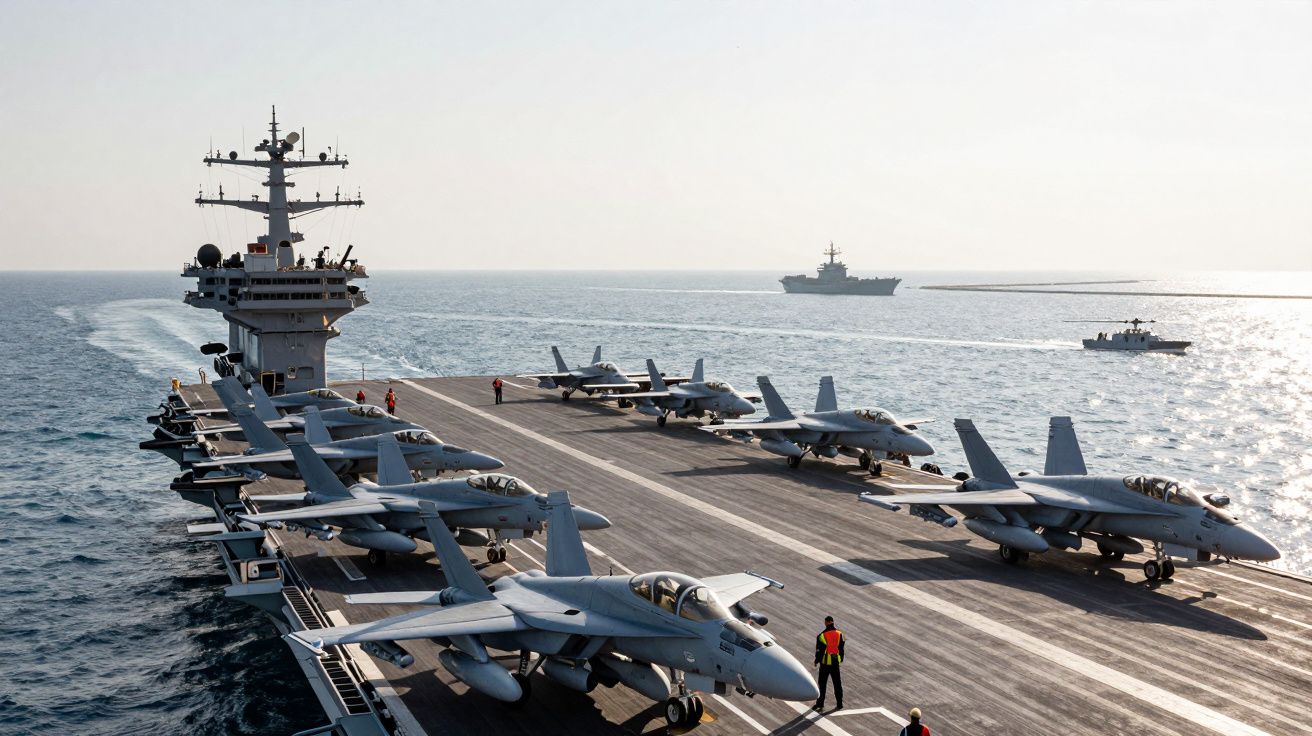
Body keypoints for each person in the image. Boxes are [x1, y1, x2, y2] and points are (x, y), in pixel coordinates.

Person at [813, 615, 844, 711]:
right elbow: (841, 648)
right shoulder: (840, 634)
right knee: (837, 683)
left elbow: (819, 651)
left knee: (822, 684)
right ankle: (839, 703)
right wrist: (841, 659)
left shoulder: (821, 635)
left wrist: (816, 660)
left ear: (826, 622)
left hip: (825, 663)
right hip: (835, 662)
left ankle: (820, 703)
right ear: (833, 622)